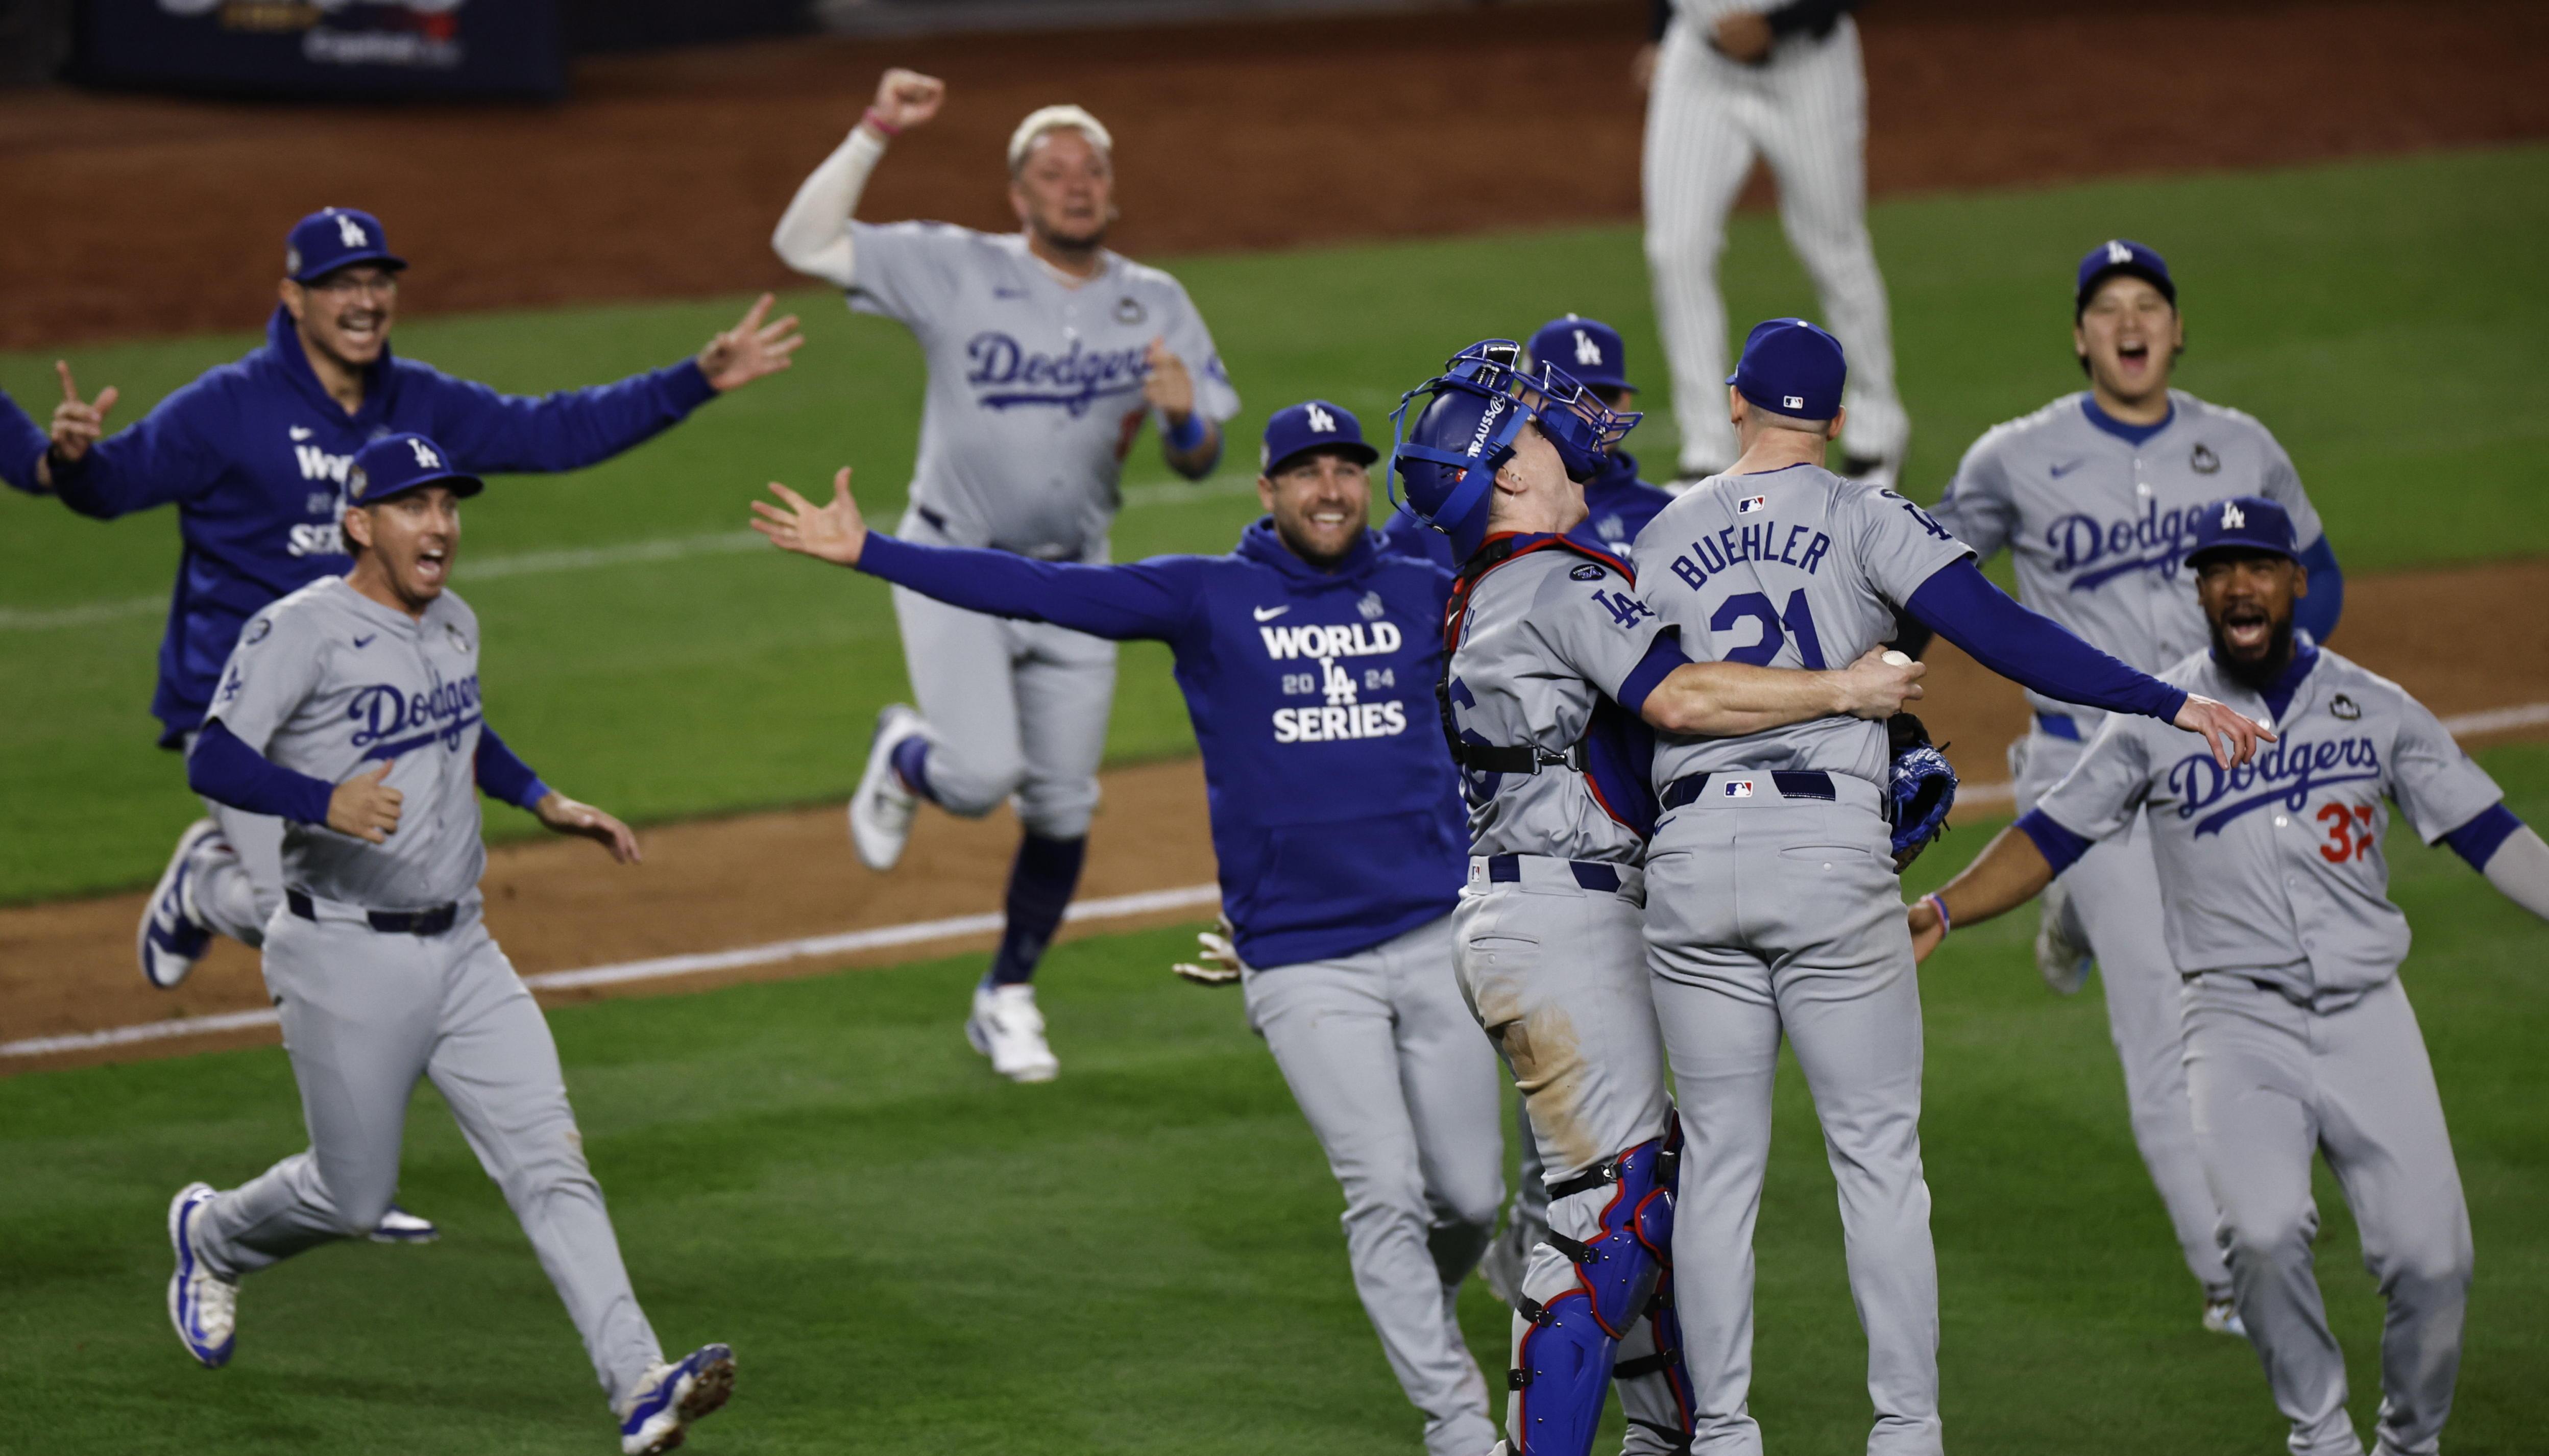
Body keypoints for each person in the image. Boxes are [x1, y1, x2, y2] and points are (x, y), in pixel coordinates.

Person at [1629, 318, 2269, 1455]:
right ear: (1833, 421)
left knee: (1720, 1168)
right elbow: (2011, 636)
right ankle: (1905, 1434)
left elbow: (1630, 709)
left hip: (1688, 864)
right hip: (1828, 859)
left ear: (1734, 403)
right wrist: (2171, 701)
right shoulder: (1871, 517)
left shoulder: (1659, 534)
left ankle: (1720, 1434)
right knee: (1876, 1158)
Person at [21, 206, 798, 1005]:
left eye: (377, 281)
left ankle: (222, 889)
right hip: (240, 699)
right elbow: (113, 488)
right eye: (340, 286)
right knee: (293, 918)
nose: (364, 301)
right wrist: (73, 463)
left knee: (372, 911)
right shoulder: (227, 408)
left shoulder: (419, 404)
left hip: (365, 701)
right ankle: (203, 889)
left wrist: (695, 380)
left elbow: (557, 433)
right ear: (293, 297)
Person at [1907, 496, 2548, 1456]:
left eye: (2256, 565)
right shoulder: (2153, 719)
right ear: (2199, 589)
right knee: (2253, 1235)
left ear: (2295, 581)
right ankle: (2319, 1435)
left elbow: (2485, 831)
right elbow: (2048, 833)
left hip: (2368, 1018)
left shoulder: (2374, 707)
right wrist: (1944, 907)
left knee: (2434, 1262)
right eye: (2218, 569)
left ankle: (2409, 1440)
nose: (2238, 584)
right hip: (2231, 1022)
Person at [1388, 340, 1924, 1455]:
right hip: (1567, 924)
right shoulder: (1560, 577)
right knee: (1611, 1224)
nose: (1561, 421)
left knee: (1657, 1210)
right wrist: (1849, 694)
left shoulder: (1493, 587)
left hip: (1535, 913)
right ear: (1511, 474)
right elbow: (1679, 700)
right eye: (1533, 421)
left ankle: (1666, 1440)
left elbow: (1628, 765)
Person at [164, 433, 737, 1456]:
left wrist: (542, 796)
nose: (440, 525)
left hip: (467, 949)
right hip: (342, 952)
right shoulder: (302, 630)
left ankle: (640, 1383)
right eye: (413, 506)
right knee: (353, 1195)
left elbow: (463, 726)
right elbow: (213, 755)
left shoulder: (456, 620)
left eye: (449, 505)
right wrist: (321, 798)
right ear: (360, 524)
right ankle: (210, 1235)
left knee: (553, 1165)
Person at [1907, 239, 2346, 1331]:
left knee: (2270, 982)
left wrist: (2269, 675)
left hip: (2219, 766)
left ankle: (2070, 913)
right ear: (2080, 337)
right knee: (2159, 1022)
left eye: (2147, 303)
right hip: (2084, 765)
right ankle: (2224, 1267)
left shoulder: (2240, 445)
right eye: (2107, 308)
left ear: (2176, 327)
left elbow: (2319, 576)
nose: (2129, 321)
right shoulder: (2016, 457)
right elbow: (1924, 573)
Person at [770, 67, 1239, 1083]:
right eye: (1052, 170)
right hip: (952, 563)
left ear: (1112, 191)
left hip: (1080, 584)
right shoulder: (953, 266)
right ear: (1018, 195)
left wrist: (1180, 417)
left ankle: (1008, 992)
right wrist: (875, 127)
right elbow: (801, 244)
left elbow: (1199, 456)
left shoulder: (1155, 299)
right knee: (980, 779)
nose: (1075, 183)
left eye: (1092, 169)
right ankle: (904, 754)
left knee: (1064, 807)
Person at [1638, 0, 1907, 486]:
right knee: (1675, 250)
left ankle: (1877, 431)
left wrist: (1776, 24)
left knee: (1831, 248)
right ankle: (1705, 449)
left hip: (1807, 68)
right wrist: (1660, 35)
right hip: (1699, 65)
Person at [1382, 315, 1671, 570]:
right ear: (1523, 398)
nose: (1586, 414)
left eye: (1602, 396)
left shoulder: (1665, 514)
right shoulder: (1442, 514)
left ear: (1625, 402)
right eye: (1563, 394)